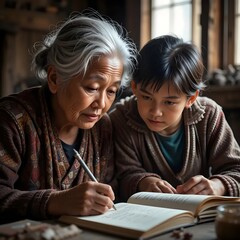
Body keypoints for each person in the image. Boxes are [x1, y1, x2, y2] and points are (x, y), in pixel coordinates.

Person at [0, 11, 137, 223]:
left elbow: (111, 190)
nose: (101, 105)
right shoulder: (13, 120)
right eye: (92, 87)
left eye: (111, 91)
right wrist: (55, 202)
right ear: (55, 79)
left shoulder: (103, 128)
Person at [109, 35, 240, 202]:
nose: (156, 112)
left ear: (191, 99)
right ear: (134, 87)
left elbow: (236, 169)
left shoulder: (209, 115)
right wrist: (144, 182)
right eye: (146, 97)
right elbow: (122, 176)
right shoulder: (121, 119)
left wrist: (218, 185)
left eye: (169, 102)